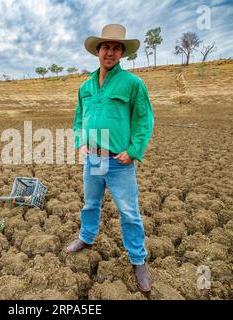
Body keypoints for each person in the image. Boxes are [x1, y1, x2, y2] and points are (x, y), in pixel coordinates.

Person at [68, 24, 154, 292]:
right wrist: (81, 143)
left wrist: (134, 150)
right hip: (93, 159)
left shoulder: (133, 84)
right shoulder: (85, 86)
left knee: (129, 212)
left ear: (121, 53)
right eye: (106, 46)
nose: (110, 52)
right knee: (90, 205)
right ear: (98, 50)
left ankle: (138, 260)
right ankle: (87, 238)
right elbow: (79, 119)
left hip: (119, 162)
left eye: (116, 48)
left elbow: (143, 120)